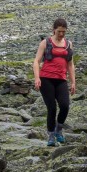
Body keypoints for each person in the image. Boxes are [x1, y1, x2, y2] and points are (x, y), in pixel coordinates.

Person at [33, 18, 76, 146]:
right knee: (51, 108)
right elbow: (36, 61)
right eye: (59, 31)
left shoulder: (68, 44)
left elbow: (70, 64)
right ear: (54, 30)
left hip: (61, 79)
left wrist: (73, 82)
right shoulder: (45, 43)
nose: (61, 34)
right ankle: (51, 135)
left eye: (64, 32)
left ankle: (59, 129)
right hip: (46, 79)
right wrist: (37, 78)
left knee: (64, 105)